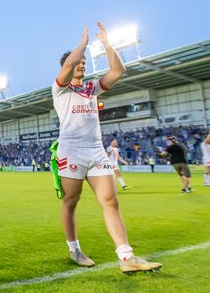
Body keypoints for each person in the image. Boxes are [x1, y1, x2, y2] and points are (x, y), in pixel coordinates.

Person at [52, 23, 161, 274]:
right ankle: (74, 249)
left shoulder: (91, 88)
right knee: (71, 201)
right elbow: (68, 65)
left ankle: (126, 257)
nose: (82, 65)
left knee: (110, 201)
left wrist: (106, 43)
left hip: (96, 151)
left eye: (83, 63)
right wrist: (82, 43)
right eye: (77, 62)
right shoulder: (60, 88)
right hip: (71, 152)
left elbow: (118, 70)